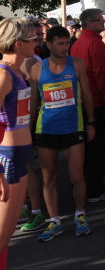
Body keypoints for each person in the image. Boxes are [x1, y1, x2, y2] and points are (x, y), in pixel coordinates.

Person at [29, 25, 94, 240]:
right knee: (49, 177)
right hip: (46, 129)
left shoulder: (77, 64)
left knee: (77, 175)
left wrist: (91, 122)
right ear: (48, 44)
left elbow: (87, 94)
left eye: (67, 43)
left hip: (72, 127)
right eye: (60, 43)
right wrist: (28, 130)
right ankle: (54, 221)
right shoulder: (37, 69)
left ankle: (80, 214)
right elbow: (33, 103)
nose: (65, 47)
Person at [0, 20, 45, 264]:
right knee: (1, 237)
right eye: (32, 39)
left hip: (21, 155)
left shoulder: (19, 70)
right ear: (18, 44)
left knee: (7, 237)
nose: (37, 41)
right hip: (7, 158)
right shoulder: (3, 75)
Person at [70, 9, 105, 203]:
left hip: (80, 102)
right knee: (97, 149)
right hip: (96, 103)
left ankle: (81, 187)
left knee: (83, 149)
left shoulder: (78, 43)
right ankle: (94, 189)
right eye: (100, 20)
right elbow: (102, 75)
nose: (104, 22)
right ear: (89, 23)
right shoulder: (95, 43)